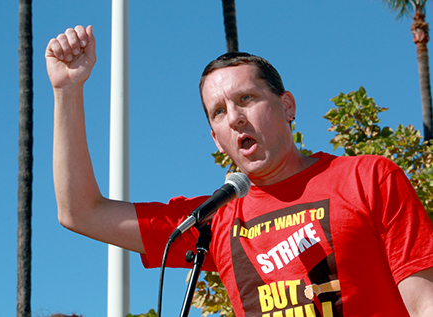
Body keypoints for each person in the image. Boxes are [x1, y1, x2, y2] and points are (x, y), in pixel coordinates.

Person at [46, 25, 433, 316]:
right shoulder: (210, 221)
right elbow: (81, 212)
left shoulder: (368, 178)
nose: (234, 118)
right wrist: (67, 91)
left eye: (246, 99)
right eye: (218, 112)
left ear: (287, 106)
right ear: (215, 138)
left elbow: (423, 302)